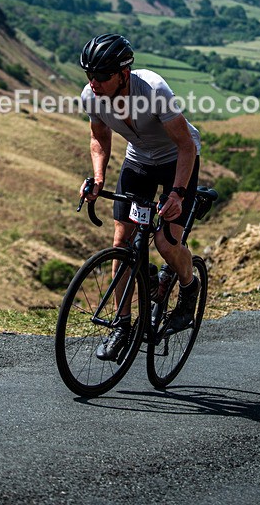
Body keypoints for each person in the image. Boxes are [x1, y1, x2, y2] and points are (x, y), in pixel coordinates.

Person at [79, 33, 201, 361]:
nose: (94, 83)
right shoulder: (92, 97)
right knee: (121, 241)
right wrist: (99, 177)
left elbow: (186, 145)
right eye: (89, 75)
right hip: (139, 162)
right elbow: (98, 137)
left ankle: (189, 287)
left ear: (123, 74)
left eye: (101, 76)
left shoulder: (153, 91)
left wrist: (176, 193)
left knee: (165, 243)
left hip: (177, 161)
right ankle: (122, 324)